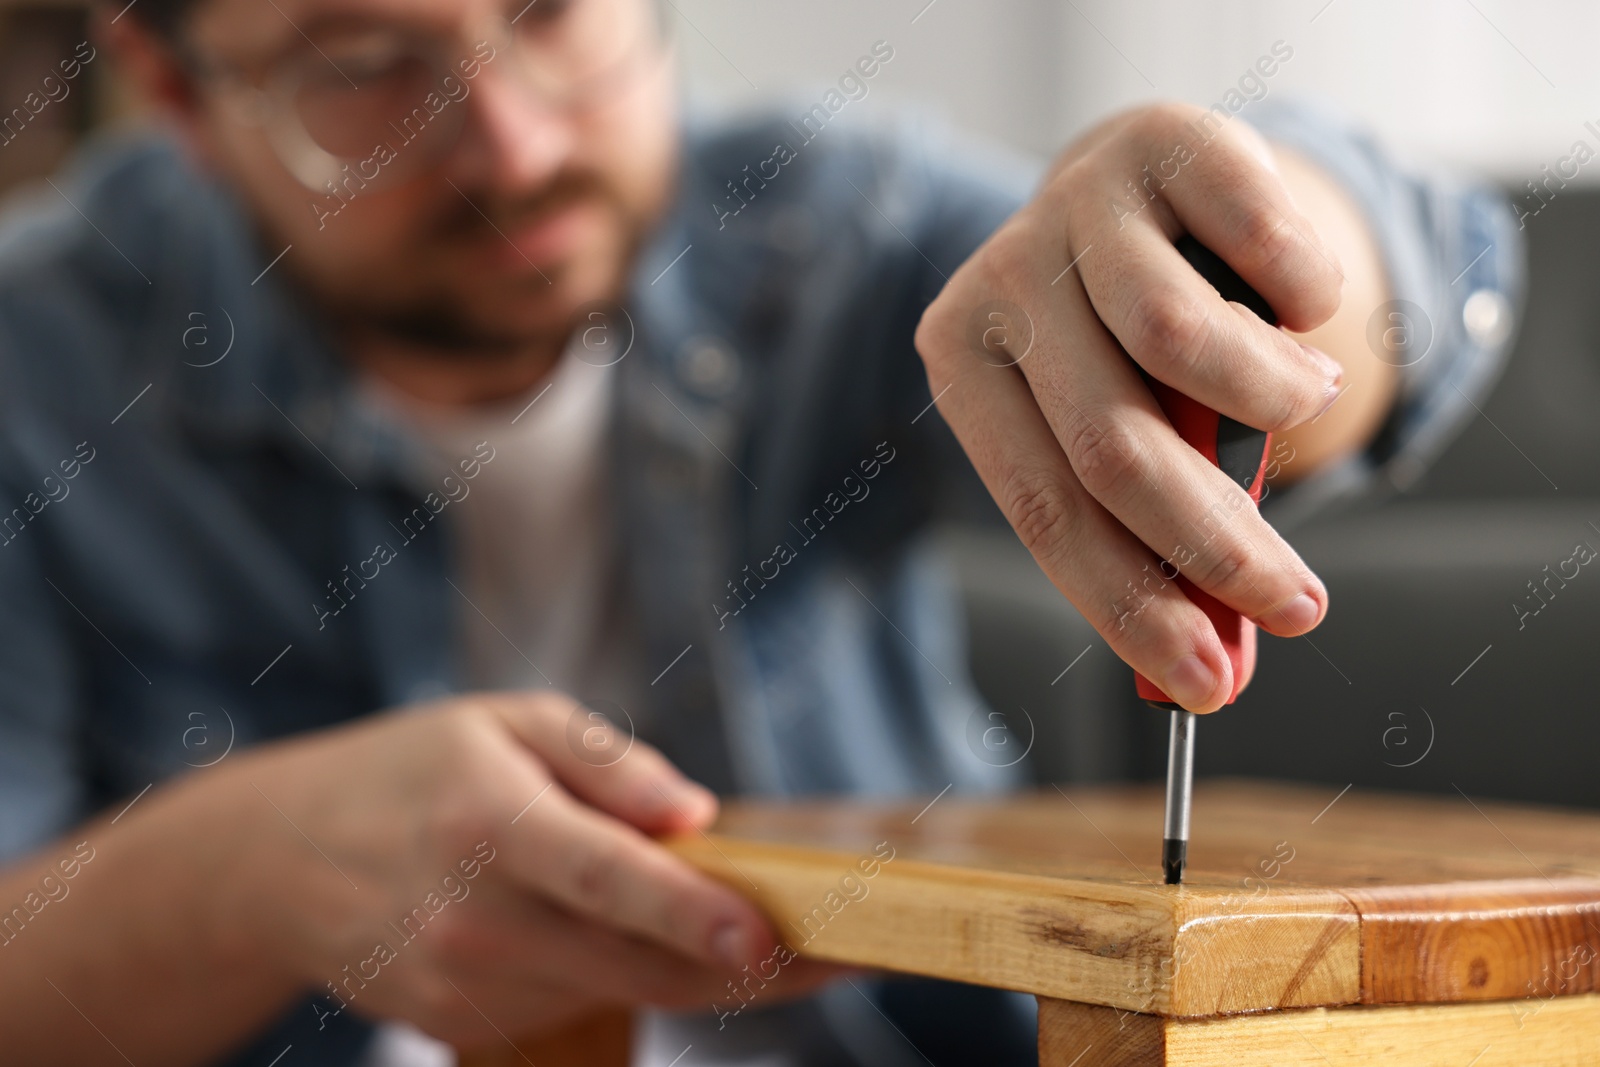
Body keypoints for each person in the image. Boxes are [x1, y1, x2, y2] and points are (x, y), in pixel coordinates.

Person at [0, 0, 1520, 1064]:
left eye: (552, 11)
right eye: (360, 66)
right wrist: (249, 870)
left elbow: (1427, 267)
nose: (515, 144)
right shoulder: (36, 375)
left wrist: (1250, 246)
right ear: (176, 85)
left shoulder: (825, 225)